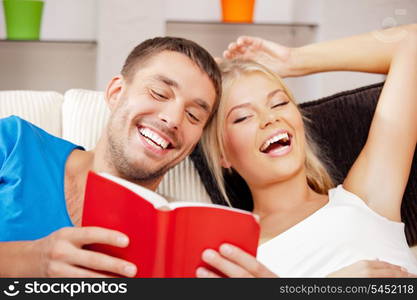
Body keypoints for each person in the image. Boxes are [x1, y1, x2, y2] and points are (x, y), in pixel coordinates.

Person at [197, 24, 417, 277]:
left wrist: (294, 61)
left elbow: (409, 42)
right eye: (243, 117)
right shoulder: (234, 261)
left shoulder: (366, 200)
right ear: (222, 154)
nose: (270, 118)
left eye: (279, 103)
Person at [0, 37, 222, 277]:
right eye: (159, 93)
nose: (173, 119)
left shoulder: (173, 244)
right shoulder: (14, 142)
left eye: (193, 115)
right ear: (116, 93)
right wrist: (31, 260)